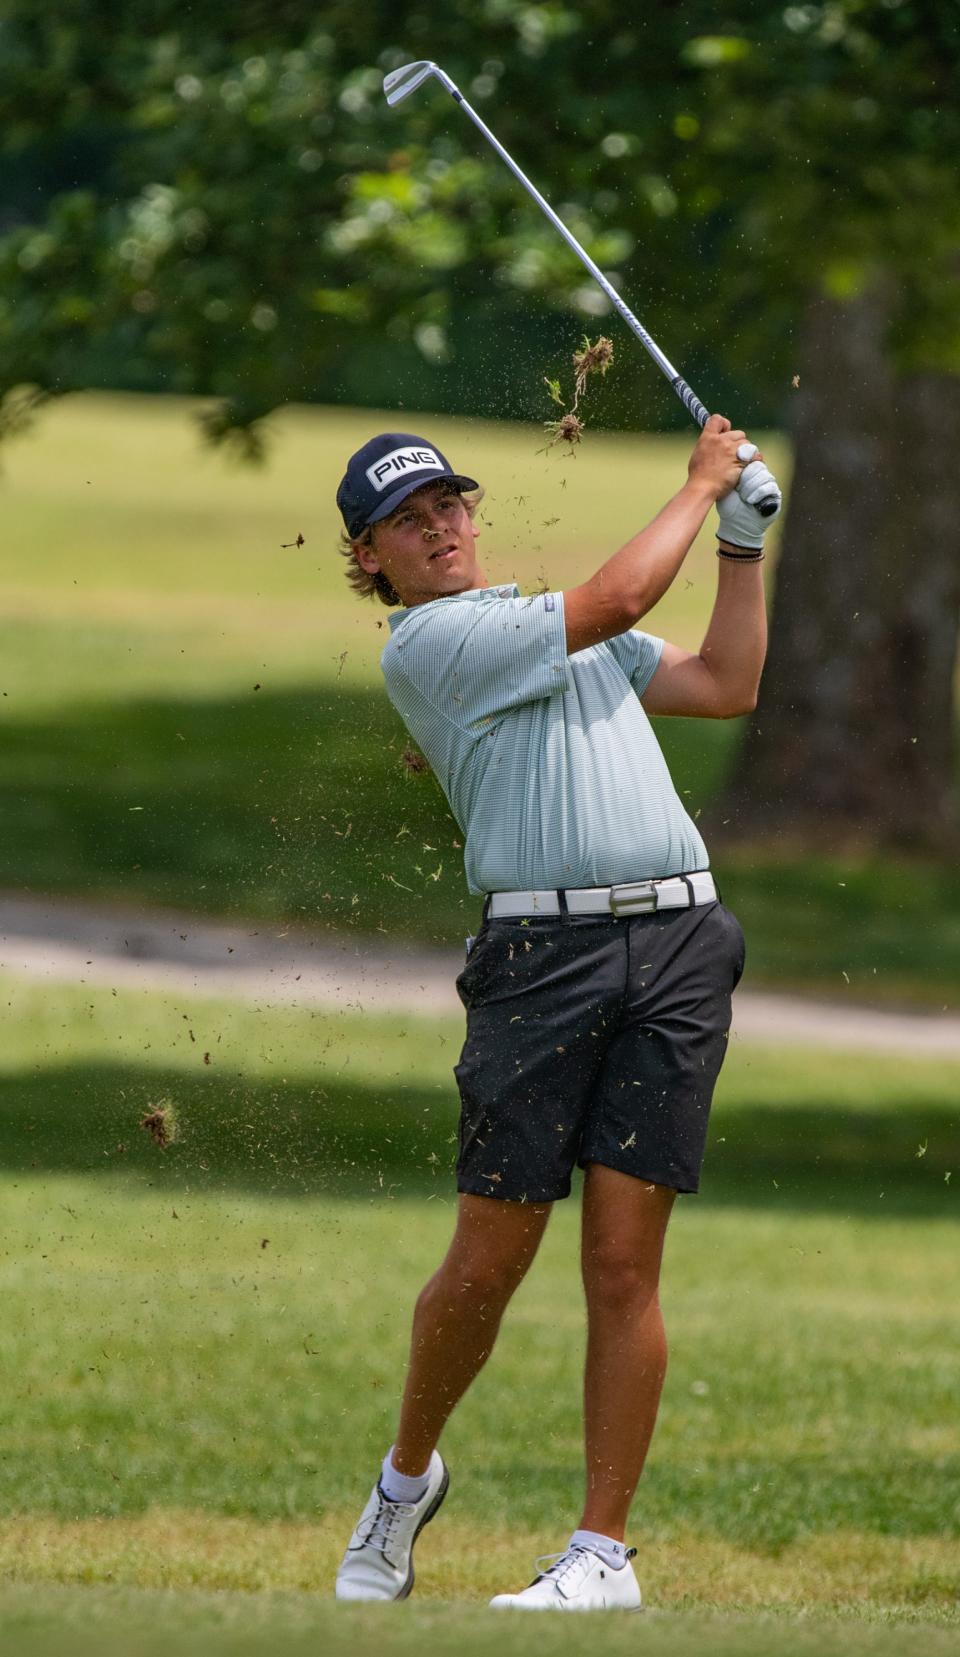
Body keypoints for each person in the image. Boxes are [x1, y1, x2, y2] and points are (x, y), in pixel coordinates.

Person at [332, 417, 780, 1611]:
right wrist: (699, 483)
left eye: (449, 505)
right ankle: (406, 1478)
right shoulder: (432, 645)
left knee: (625, 1264)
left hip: (681, 939)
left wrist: (741, 542)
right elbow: (623, 595)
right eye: (406, 521)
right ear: (370, 558)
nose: (438, 527)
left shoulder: (549, 624)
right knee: (489, 1258)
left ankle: (602, 1555)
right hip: (543, 955)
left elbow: (729, 686)